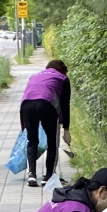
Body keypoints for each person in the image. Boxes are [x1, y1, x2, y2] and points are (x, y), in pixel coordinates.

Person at [20, 59, 70, 187]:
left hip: (26, 106)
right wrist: (66, 129)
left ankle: (31, 175)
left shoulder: (35, 76)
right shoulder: (63, 78)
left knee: (32, 141)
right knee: (52, 143)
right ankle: (48, 177)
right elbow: (65, 105)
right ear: (63, 70)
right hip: (46, 105)